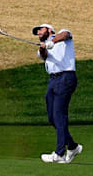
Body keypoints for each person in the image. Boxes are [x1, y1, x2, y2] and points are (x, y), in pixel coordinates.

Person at [33, 23, 83, 164]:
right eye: (36, 32)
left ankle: (60, 153)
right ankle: (72, 146)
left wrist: (51, 42)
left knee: (60, 115)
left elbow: (66, 35)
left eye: (40, 30)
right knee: (52, 118)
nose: (38, 33)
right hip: (53, 80)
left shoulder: (61, 35)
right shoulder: (43, 46)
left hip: (66, 77)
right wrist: (43, 48)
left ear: (49, 30)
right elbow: (43, 56)